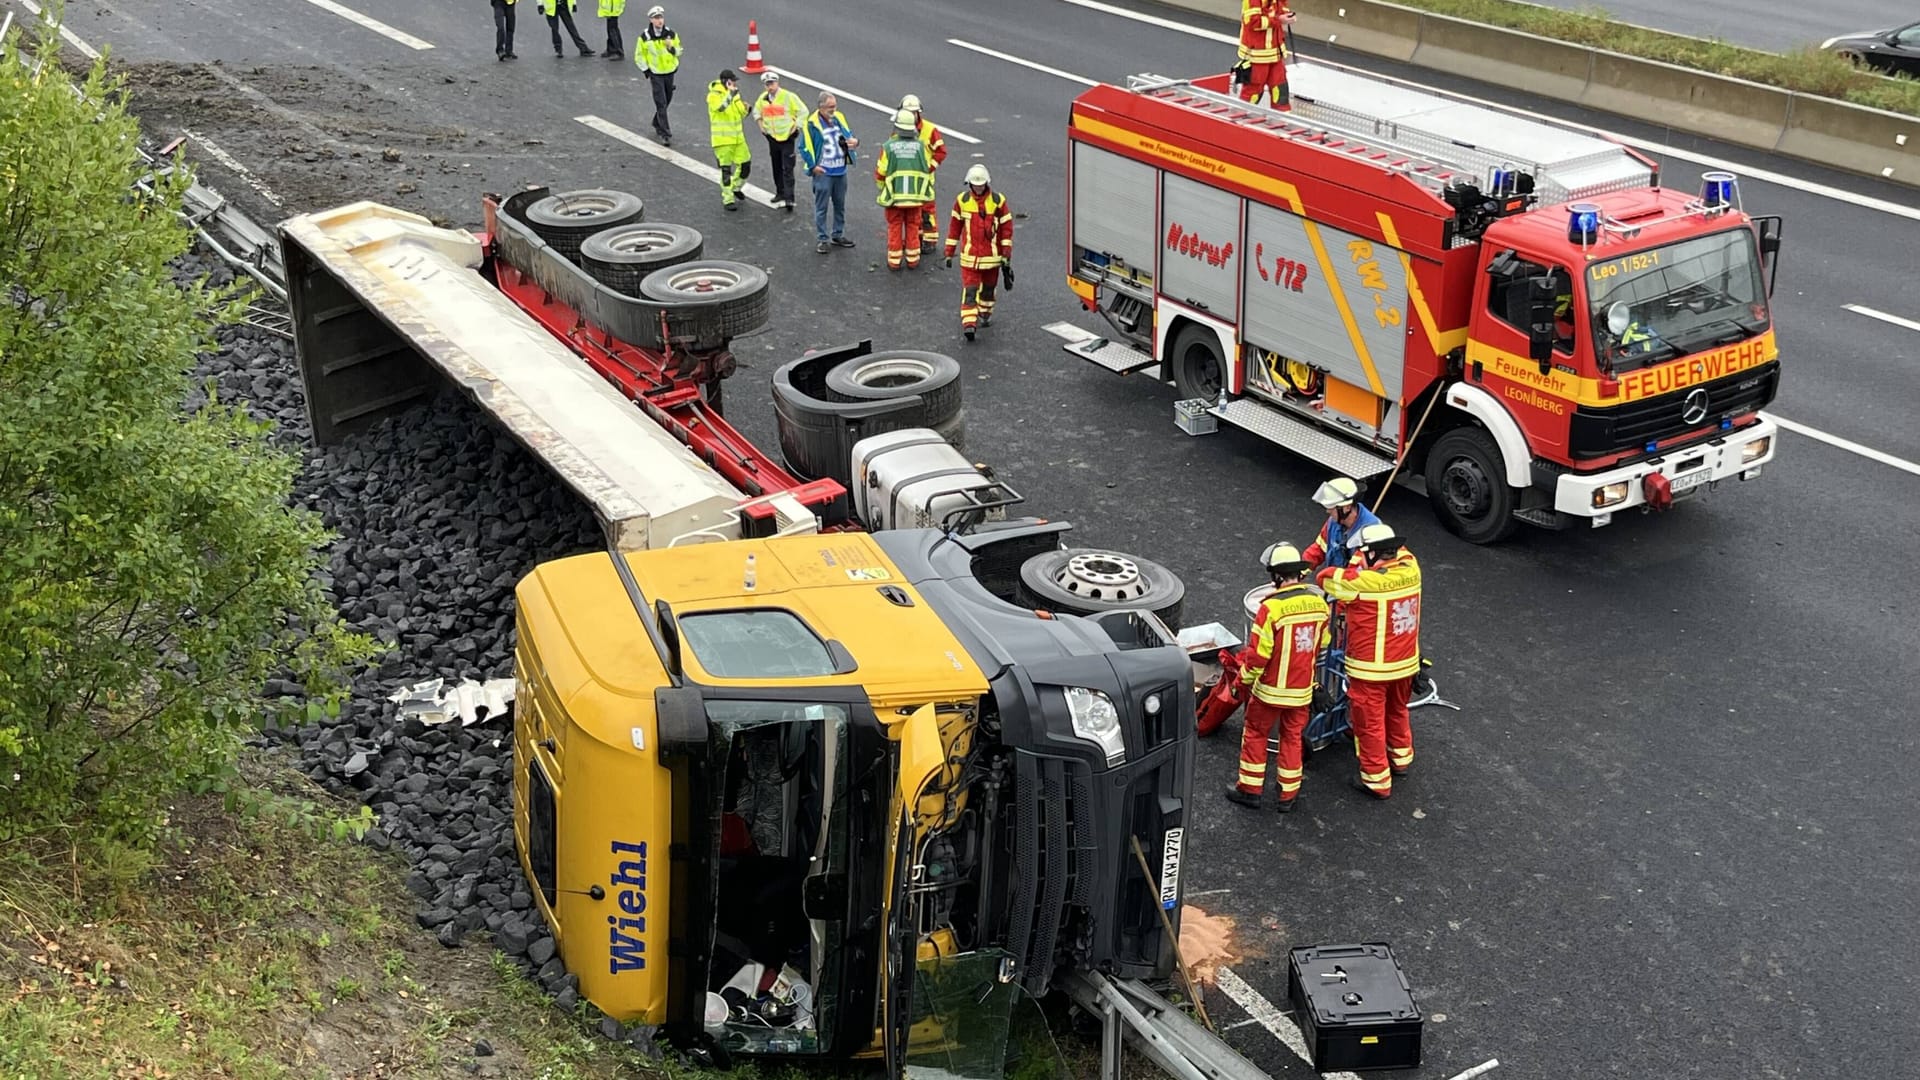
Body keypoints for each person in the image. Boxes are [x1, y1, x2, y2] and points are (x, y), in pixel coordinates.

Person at [1227, 542, 1331, 813]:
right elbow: (1322, 644)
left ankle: (1250, 790)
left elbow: (1258, 657)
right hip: (1301, 693)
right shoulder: (1319, 605)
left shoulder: (1270, 609)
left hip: (1270, 693)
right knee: (1292, 738)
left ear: (1276, 575)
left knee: (1256, 734)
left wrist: (1240, 684)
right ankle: (1288, 794)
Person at [1322, 522, 1422, 801]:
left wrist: (1355, 565)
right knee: (1397, 710)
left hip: (1371, 670)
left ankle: (1376, 780)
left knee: (1370, 724)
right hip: (1405, 663)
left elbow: (1327, 578)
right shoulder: (1412, 569)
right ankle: (1401, 759)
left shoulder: (1363, 583)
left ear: (1372, 554)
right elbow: (1403, 552)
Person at [942, 163, 1013, 342]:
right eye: (975, 184)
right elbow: (954, 228)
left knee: (988, 290)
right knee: (970, 291)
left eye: (981, 184)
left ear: (987, 183)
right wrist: (949, 252)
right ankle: (969, 325)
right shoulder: (962, 201)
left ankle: (985, 314)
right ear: (969, 184)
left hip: (992, 259)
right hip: (970, 259)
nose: (979, 187)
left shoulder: (998, 201)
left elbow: (1006, 229)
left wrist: (1006, 254)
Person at [875, 109, 936, 271]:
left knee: (895, 226)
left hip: (894, 198)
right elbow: (926, 170)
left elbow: (881, 172)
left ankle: (895, 261)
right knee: (912, 226)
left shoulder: (888, 147)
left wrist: (883, 190)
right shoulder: (920, 146)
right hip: (915, 198)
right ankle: (913, 259)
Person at [800, 92, 859, 254]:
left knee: (840, 205)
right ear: (821, 107)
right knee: (822, 207)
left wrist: (855, 142)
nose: (833, 110)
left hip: (840, 170)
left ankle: (837, 234)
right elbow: (803, 147)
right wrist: (813, 167)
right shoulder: (811, 124)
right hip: (824, 172)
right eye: (830, 107)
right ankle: (822, 238)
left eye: (835, 106)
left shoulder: (839, 118)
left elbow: (849, 135)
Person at [899, 94, 948, 253]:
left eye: (913, 113)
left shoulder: (929, 130)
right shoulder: (899, 129)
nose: (911, 116)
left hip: (925, 181)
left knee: (927, 211)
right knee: (913, 212)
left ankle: (930, 239)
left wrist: (929, 168)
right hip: (908, 181)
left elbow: (940, 152)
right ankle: (916, 238)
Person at [753, 72, 807, 212]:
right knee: (776, 166)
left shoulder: (788, 97)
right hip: (772, 138)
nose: (770, 87)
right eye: (767, 84)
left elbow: (803, 112)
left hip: (787, 138)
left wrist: (796, 127)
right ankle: (780, 193)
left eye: (772, 83)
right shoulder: (763, 99)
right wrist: (761, 127)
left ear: (777, 83)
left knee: (787, 168)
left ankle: (789, 198)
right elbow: (756, 112)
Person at [1303, 477, 1380, 573]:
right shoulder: (1334, 521)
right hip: (1336, 580)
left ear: (1347, 507)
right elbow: (1319, 548)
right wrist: (1299, 571)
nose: (1327, 511)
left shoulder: (1372, 533)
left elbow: (1357, 574)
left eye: (1331, 507)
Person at [635, 6, 683, 145]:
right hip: (655, 74)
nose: (659, 21)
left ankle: (657, 122)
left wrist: (671, 48)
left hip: (669, 72)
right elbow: (639, 55)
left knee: (668, 99)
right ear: (651, 20)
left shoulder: (671, 34)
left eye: (661, 17)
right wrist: (646, 70)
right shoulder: (645, 37)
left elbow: (679, 51)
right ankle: (665, 133)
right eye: (656, 18)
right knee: (661, 102)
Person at [1236, 0, 1295, 111]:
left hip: (1275, 55)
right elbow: (1253, 22)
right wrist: (1278, 20)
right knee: (1253, 92)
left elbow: (1282, 8)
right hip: (1256, 57)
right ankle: (1241, 121)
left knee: (1281, 91)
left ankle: (1282, 123)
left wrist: (1286, 16)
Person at [707, 69, 751, 211]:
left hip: (738, 138)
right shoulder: (714, 95)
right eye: (732, 81)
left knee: (746, 165)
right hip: (723, 140)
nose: (735, 84)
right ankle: (728, 199)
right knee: (726, 171)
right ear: (726, 81)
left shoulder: (735, 93)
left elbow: (739, 113)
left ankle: (735, 187)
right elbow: (721, 108)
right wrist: (730, 94)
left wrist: (747, 110)